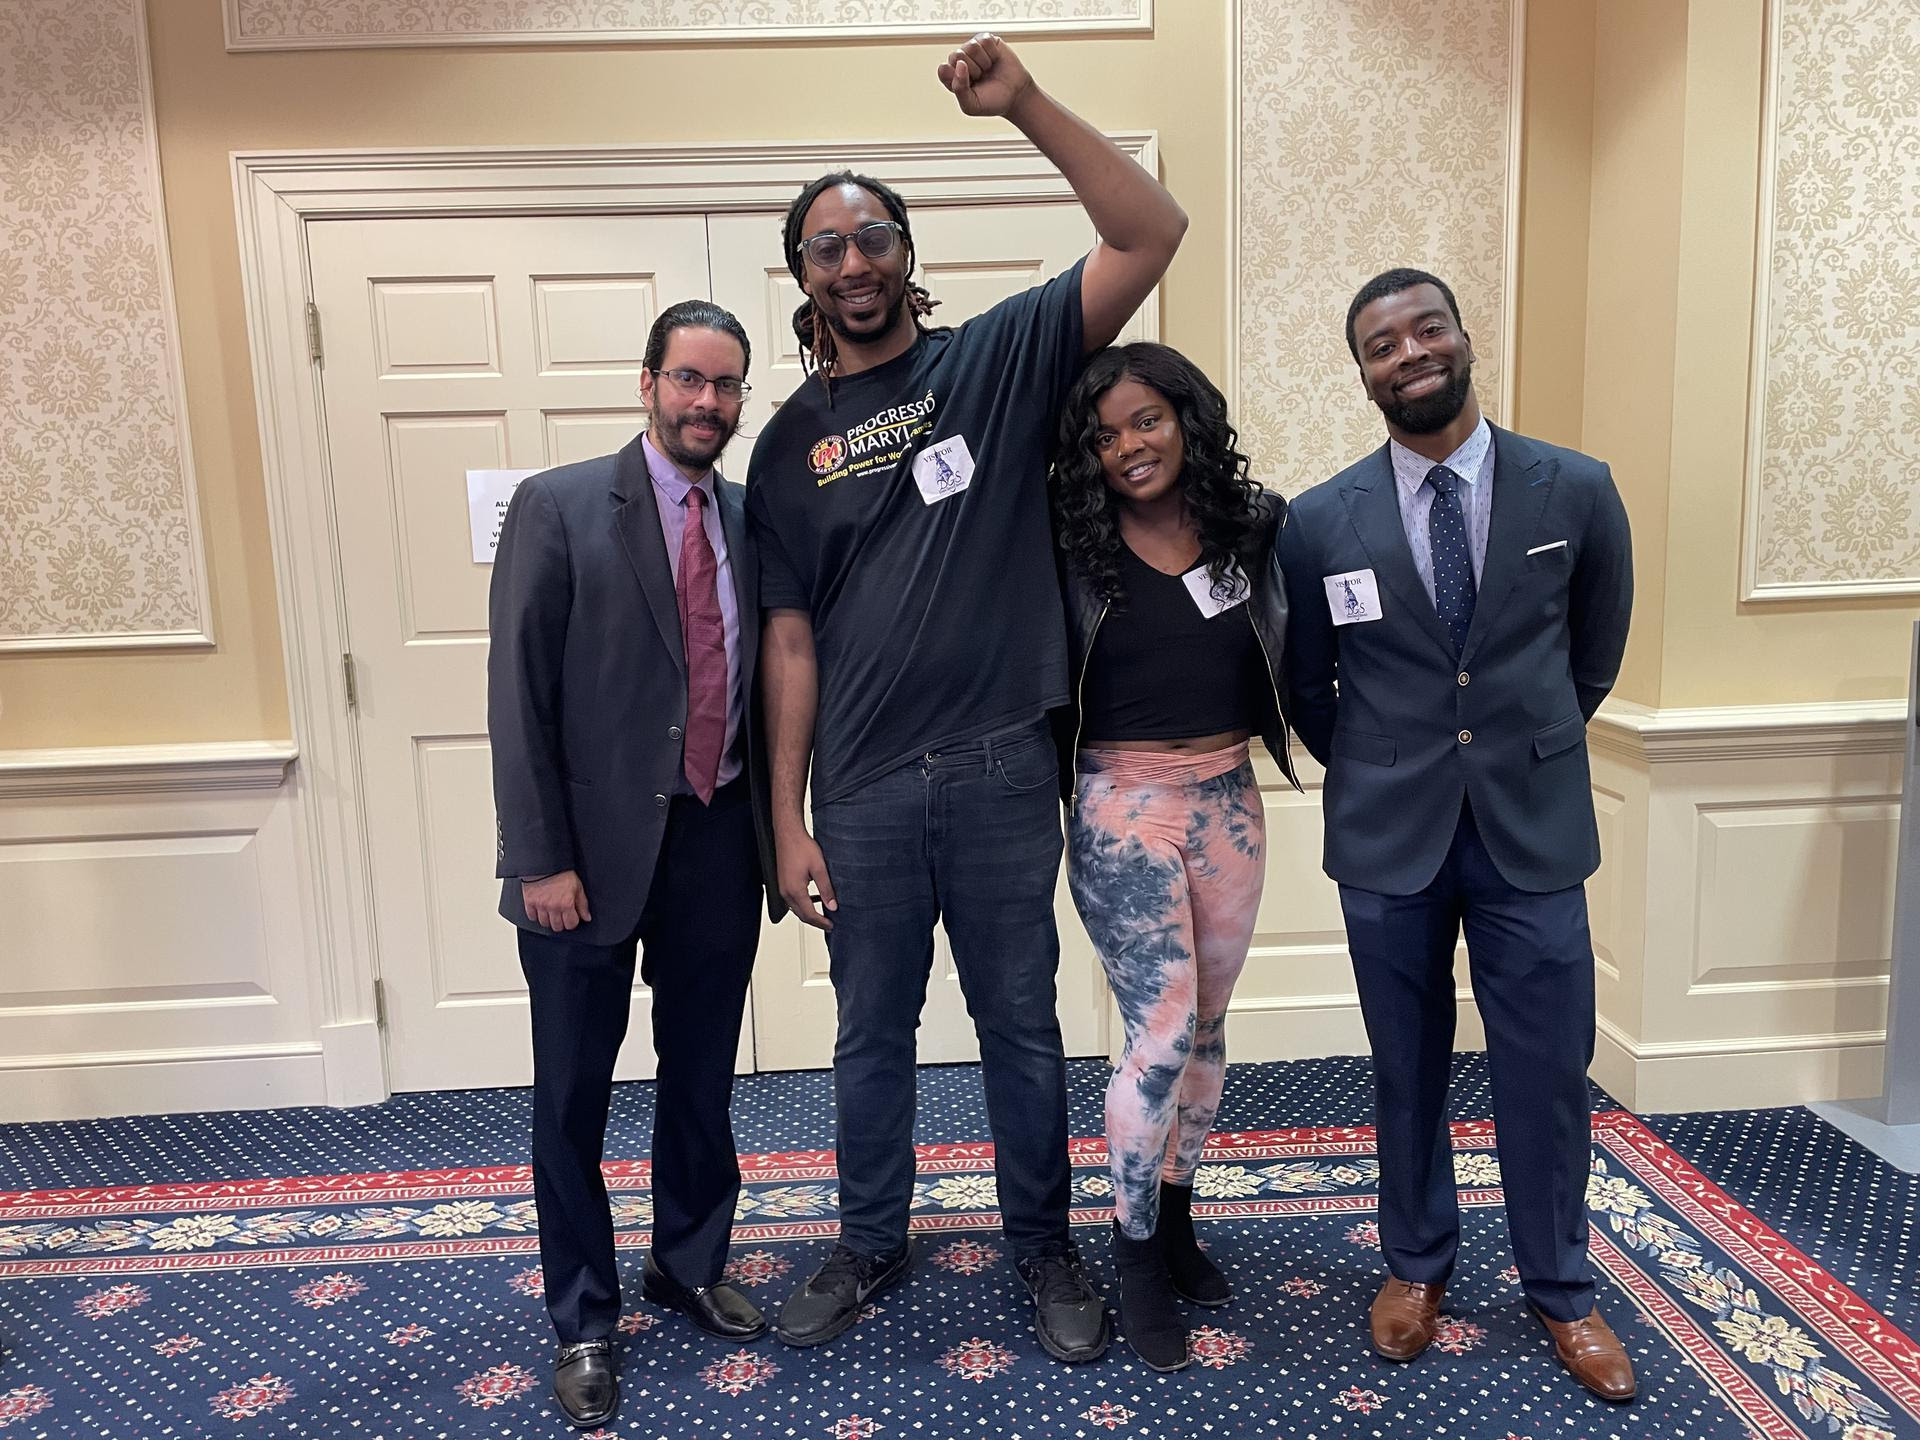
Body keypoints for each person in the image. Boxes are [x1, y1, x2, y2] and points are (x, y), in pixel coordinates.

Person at [746, 32, 1187, 1363]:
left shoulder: (992, 362)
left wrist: (1026, 104)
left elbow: (1150, 231)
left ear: (906, 253)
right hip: (864, 786)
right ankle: (870, 1239)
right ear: (802, 275)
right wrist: (787, 818)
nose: (855, 260)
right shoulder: (786, 446)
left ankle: (1044, 1246)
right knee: (871, 1031)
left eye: (874, 236)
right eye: (827, 245)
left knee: (1019, 1027)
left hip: (1000, 762)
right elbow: (788, 642)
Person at [1276, 268, 1636, 1401]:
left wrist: (1521, 746)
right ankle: (1417, 1265)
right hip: (1390, 836)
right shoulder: (1318, 520)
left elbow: (1594, 650)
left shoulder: (1575, 489)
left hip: (1532, 827)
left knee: (1549, 1068)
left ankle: (1561, 1287)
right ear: (1363, 374)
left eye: (1426, 329)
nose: (1410, 354)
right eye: (1382, 345)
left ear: (1464, 338)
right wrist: (1388, 762)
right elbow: (1307, 685)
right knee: (1406, 1064)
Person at [489, 300, 781, 1428]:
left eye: (726, 384)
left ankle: (688, 1262)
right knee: (571, 1095)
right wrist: (539, 861)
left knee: (702, 1075)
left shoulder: (752, 518)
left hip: (717, 836)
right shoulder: (560, 506)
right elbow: (517, 697)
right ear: (648, 383)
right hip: (584, 860)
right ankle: (582, 1316)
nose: (708, 401)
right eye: (688, 379)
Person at [1049, 342, 1300, 1371]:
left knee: (1206, 1029)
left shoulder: (1254, 527)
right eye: (1104, 436)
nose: (1128, 447)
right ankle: (1137, 1252)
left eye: (1146, 420)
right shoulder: (1069, 543)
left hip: (1229, 798)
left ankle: (1179, 1213)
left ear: (1188, 419)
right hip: (1123, 804)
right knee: (1158, 1035)